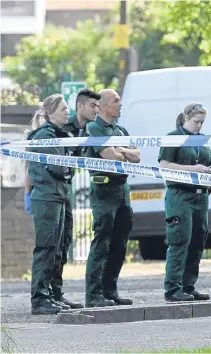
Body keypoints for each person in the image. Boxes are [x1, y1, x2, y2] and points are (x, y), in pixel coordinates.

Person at [84, 89, 140, 307]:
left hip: (122, 189)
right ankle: (94, 294)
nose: (121, 103)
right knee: (102, 241)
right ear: (104, 106)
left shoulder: (120, 129)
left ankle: (110, 290)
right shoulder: (94, 127)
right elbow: (109, 155)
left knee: (120, 244)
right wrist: (122, 152)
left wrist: (120, 150)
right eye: (116, 101)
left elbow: (137, 156)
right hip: (104, 191)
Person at [48, 89, 101, 309]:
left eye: (98, 106)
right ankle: (47, 294)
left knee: (65, 242)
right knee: (53, 244)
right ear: (80, 107)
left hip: (67, 188)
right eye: (92, 106)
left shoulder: (90, 130)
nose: (96, 110)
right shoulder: (62, 128)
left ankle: (57, 293)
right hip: (54, 188)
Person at [158, 103, 211, 302]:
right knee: (180, 241)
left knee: (197, 242)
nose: (199, 126)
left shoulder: (202, 140)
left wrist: (210, 170)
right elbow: (164, 166)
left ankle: (188, 286)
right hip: (181, 196)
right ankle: (173, 288)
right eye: (196, 121)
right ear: (185, 118)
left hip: (201, 196)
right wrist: (193, 169)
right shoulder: (173, 138)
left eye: (202, 122)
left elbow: (208, 161)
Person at [26, 94, 73, 315]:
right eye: (63, 109)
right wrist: (68, 167)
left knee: (58, 247)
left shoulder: (59, 135)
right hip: (47, 197)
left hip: (57, 196)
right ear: (51, 112)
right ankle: (40, 299)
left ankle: (52, 295)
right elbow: (59, 168)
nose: (67, 112)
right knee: (46, 247)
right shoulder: (45, 136)